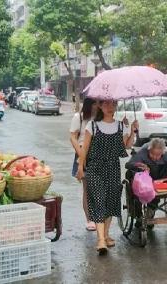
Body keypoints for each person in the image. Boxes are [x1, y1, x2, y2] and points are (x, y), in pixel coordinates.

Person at [77, 100, 138, 255]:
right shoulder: (92, 125)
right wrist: (80, 167)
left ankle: (105, 234)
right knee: (98, 200)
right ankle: (101, 240)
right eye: (106, 104)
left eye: (113, 104)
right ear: (100, 107)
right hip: (95, 168)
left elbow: (126, 146)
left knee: (111, 201)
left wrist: (132, 130)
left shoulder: (120, 125)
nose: (110, 107)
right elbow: (84, 148)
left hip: (113, 168)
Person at [70, 98, 98, 231]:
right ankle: (89, 219)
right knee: (87, 189)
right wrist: (81, 154)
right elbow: (73, 137)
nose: (98, 106)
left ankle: (99, 216)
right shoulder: (79, 117)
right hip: (83, 154)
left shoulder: (101, 118)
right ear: (90, 104)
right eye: (95, 103)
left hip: (98, 155)